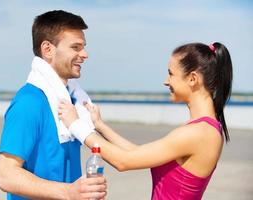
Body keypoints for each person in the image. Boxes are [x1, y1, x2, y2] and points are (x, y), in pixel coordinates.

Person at [59, 42, 233, 199]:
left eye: (171, 74)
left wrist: (76, 125)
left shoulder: (199, 133)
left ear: (193, 79)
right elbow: (137, 153)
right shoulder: (203, 129)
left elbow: (123, 161)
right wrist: (100, 126)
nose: (166, 82)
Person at [0, 10, 107, 200]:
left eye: (84, 47)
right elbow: (6, 176)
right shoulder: (29, 102)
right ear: (47, 49)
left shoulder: (73, 102)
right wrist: (68, 192)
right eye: (76, 47)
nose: (85, 54)